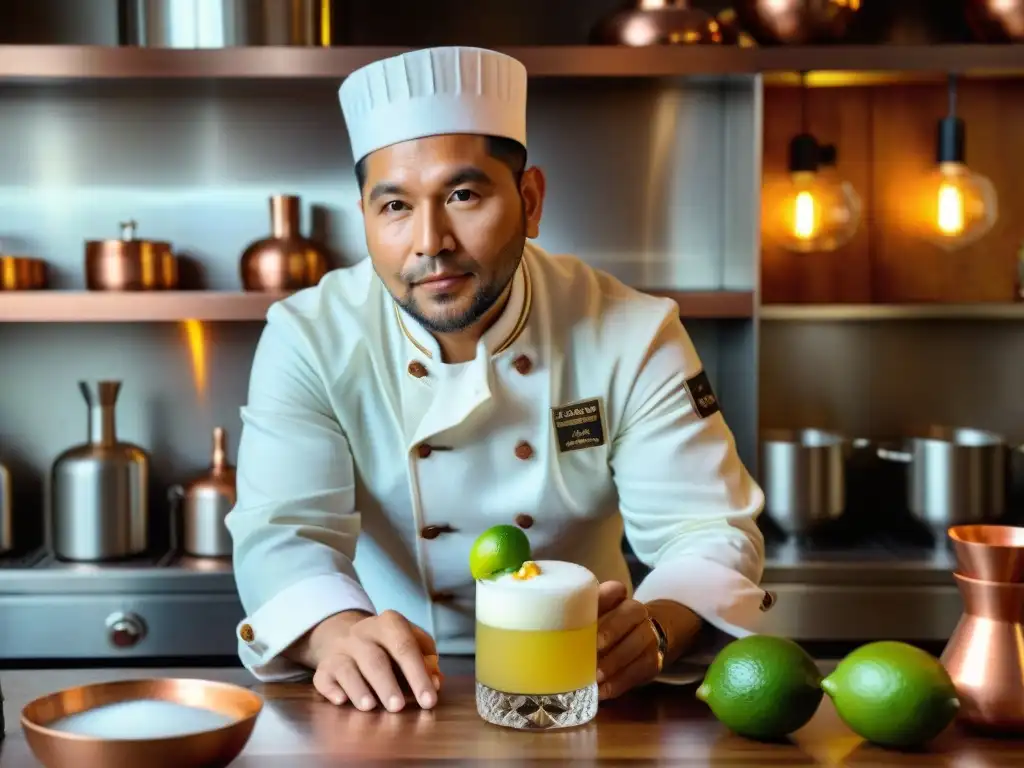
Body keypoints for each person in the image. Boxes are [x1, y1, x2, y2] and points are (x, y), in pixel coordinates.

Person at [225, 45, 770, 715]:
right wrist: (337, 634)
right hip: (386, 696)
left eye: (462, 195)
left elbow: (707, 527)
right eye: (394, 206)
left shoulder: (632, 331)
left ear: (529, 199)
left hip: (584, 682)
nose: (430, 241)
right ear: (364, 217)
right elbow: (283, 533)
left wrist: (657, 625)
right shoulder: (308, 335)